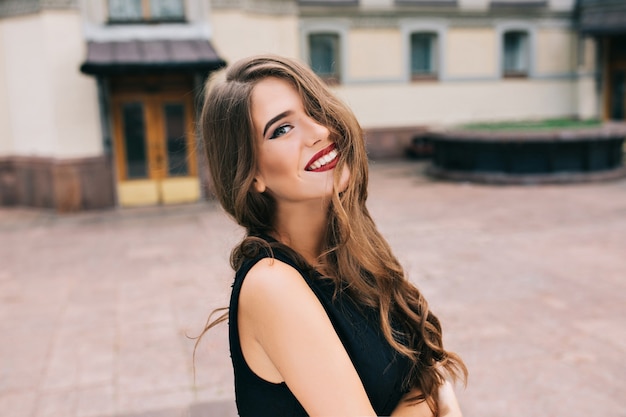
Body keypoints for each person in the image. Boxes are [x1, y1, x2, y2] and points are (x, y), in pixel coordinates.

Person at [196, 54, 467, 417]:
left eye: (316, 110)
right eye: (282, 129)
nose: (320, 132)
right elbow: (430, 386)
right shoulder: (272, 284)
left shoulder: (351, 255)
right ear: (250, 173)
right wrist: (435, 402)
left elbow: (429, 375)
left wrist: (431, 395)